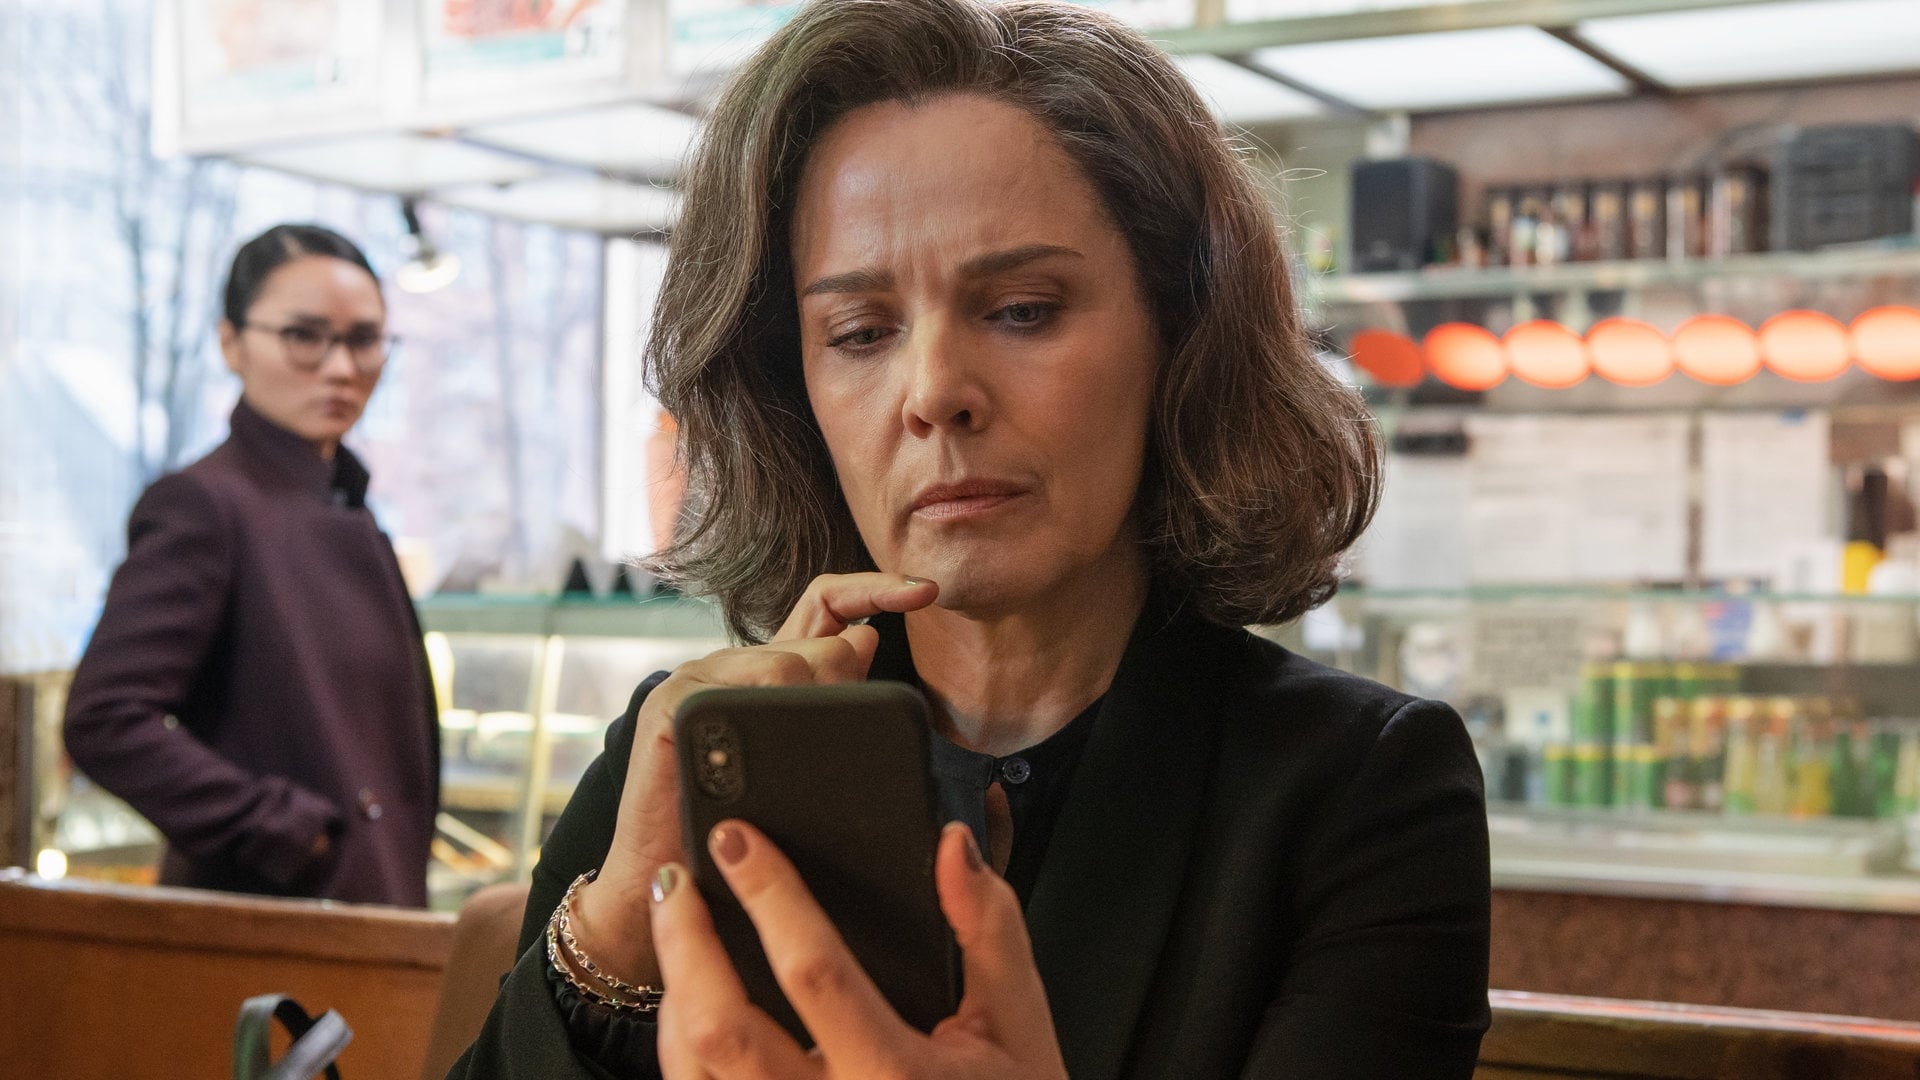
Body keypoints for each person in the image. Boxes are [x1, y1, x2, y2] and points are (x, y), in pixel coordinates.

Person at [455, 0, 1490, 1075]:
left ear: (1181, 335)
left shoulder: (1359, 790)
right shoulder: (685, 750)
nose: (935, 391)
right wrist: (611, 941)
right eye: (860, 332)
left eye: (1023, 310)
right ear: (791, 389)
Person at [64, 224, 439, 907]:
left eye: (364, 339)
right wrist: (288, 831)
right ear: (231, 343)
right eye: (303, 336)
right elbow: (106, 718)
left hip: (375, 911)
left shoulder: (349, 503)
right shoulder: (204, 503)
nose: (340, 367)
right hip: (275, 921)